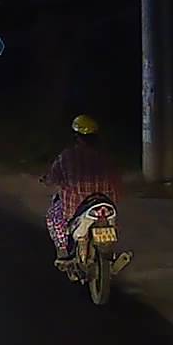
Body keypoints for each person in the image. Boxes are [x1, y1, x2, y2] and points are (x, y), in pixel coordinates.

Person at [41, 115, 123, 268]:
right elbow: (117, 180)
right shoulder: (106, 156)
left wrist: (47, 179)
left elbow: (53, 177)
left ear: (76, 136)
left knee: (53, 216)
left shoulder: (67, 156)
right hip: (107, 205)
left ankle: (63, 251)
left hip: (77, 208)